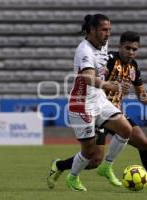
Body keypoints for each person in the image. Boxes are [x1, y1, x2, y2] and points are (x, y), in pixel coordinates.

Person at [47, 31, 147, 190]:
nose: (131, 52)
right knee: (94, 160)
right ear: (120, 46)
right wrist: (111, 83)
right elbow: (92, 80)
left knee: (144, 143)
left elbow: (142, 96)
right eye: (128, 48)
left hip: (114, 113)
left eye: (134, 49)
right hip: (97, 110)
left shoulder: (134, 67)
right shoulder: (108, 60)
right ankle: (60, 165)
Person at [48, 14, 134, 191]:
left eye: (109, 30)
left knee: (126, 129)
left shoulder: (103, 44)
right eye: (104, 30)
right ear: (92, 30)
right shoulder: (84, 51)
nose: (108, 34)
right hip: (82, 104)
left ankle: (107, 166)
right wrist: (108, 84)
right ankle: (72, 177)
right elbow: (87, 78)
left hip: (99, 100)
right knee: (89, 153)